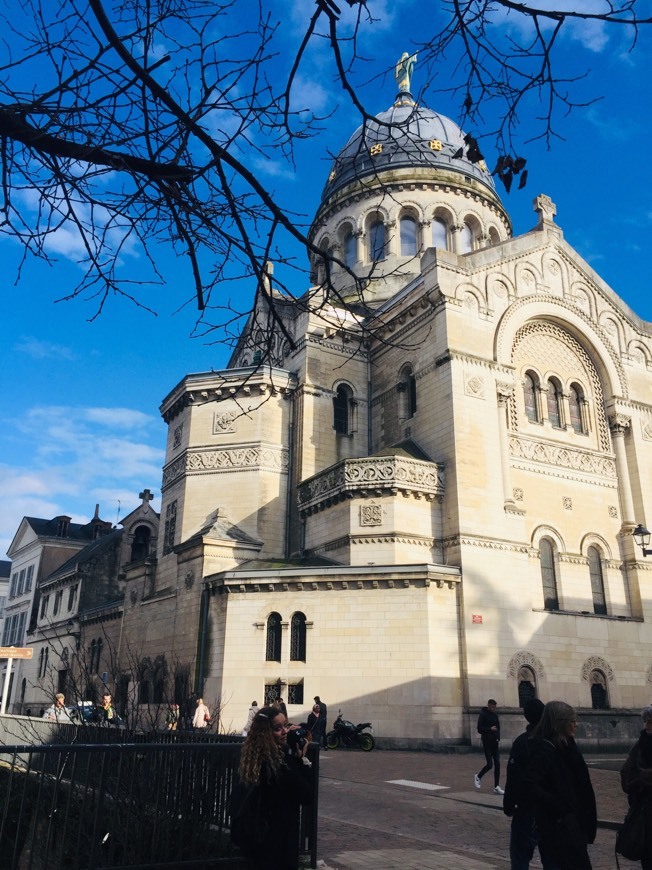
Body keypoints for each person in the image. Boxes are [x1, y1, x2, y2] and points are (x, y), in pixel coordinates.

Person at [236, 704, 313, 869]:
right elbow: (307, 795)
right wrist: (302, 761)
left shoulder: (252, 760)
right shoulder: (280, 765)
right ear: (266, 733)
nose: (285, 732)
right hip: (278, 844)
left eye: (286, 725)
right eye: (278, 728)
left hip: (256, 843)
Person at [524, 700, 596, 870]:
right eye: (572, 721)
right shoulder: (545, 749)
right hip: (561, 826)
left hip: (575, 822)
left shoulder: (567, 745)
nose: (575, 725)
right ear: (560, 723)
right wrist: (558, 806)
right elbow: (529, 785)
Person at [503, 698, 556, 870]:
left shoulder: (522, 742)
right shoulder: (554, 741)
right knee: (552, 859)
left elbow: (513, 777)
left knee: (519, 858)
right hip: (550, 810)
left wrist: (509, 805)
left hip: (527, 810)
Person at [620, 704, 652, 869]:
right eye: (645, 721)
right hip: (644, 812)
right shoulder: (638, 747)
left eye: (651, 722)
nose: (646, 726)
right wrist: (640, 780)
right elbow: (626, 776)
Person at [474, 698, 504, 794]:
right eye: (492, 707)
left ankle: (496, 786)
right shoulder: (483, 714)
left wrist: (498, 737)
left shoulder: (495, 715)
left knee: (498, 763)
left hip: (494, 742)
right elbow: (479, 728)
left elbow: (498, 727)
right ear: (488, 706)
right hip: (487, 742)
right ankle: (478, 776)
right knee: (490, 764)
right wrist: (490, 729)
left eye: (495, 707)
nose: (494, 709)